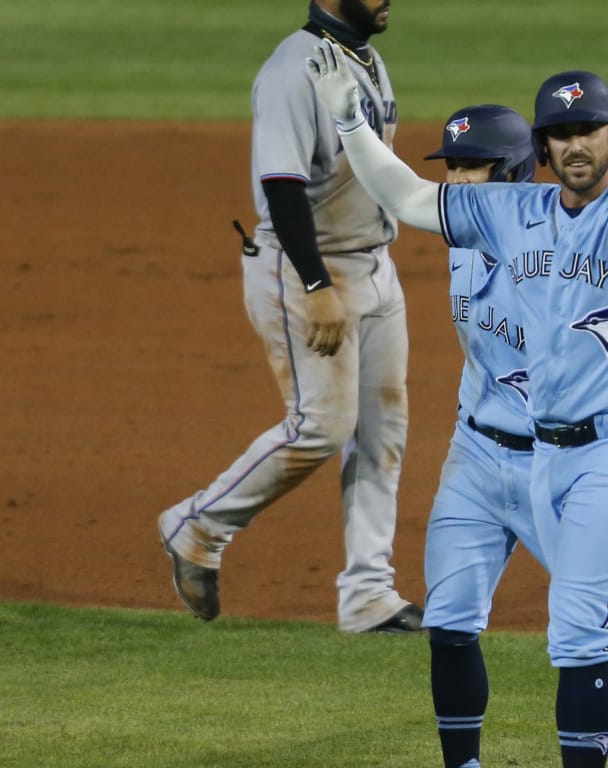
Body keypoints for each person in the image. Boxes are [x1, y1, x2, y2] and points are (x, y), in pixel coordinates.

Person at [304, 44, 608, 767]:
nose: (575, 145)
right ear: (542, 148)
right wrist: (351, 122)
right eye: (561, 134)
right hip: (528, 452)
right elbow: (406, 195)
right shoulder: (507, 216)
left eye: (589, 129)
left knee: (594, 630)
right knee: (576, 627)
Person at [420, 104, 608, 768]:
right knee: (449, 619)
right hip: (478, 452)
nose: (456, 183)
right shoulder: (461, 246)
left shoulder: (558, 259)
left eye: (472, 168)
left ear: (515, 173)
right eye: (450, 168)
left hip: (559, 461)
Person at [157, 0, 423, 635]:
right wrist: (316, 284)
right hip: (309, 268)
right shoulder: (291, 70)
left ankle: (369, 595)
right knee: (322, 428)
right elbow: (282, 184)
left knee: (382, 433)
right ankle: (198, 525)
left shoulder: (365, 54)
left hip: (373, 265)